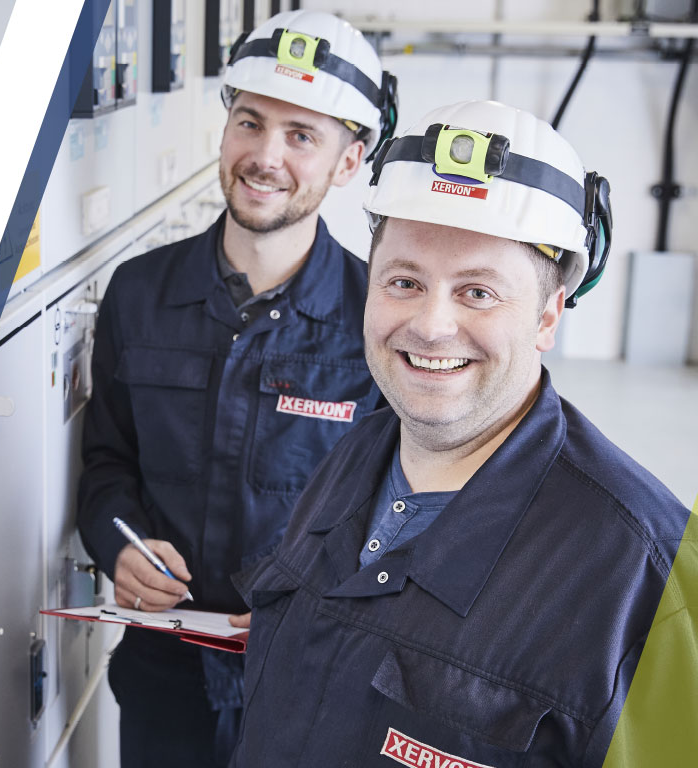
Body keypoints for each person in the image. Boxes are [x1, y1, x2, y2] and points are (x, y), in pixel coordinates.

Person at [231, 100, 686, 767]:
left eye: (477, 292)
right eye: (404, 281)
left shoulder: (649, 577)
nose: (430, 326)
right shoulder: (355, 456)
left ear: (547, 314)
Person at [75, 9, 399, 766]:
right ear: (224, 128)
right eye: (250, 122)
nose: (265, 156)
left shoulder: (376, 324)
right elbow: (106, 466)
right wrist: (115, 545)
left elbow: (408, 511)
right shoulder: (140, 294)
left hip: (310, 685)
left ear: (347, 163)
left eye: (301, 136)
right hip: (165, 680)